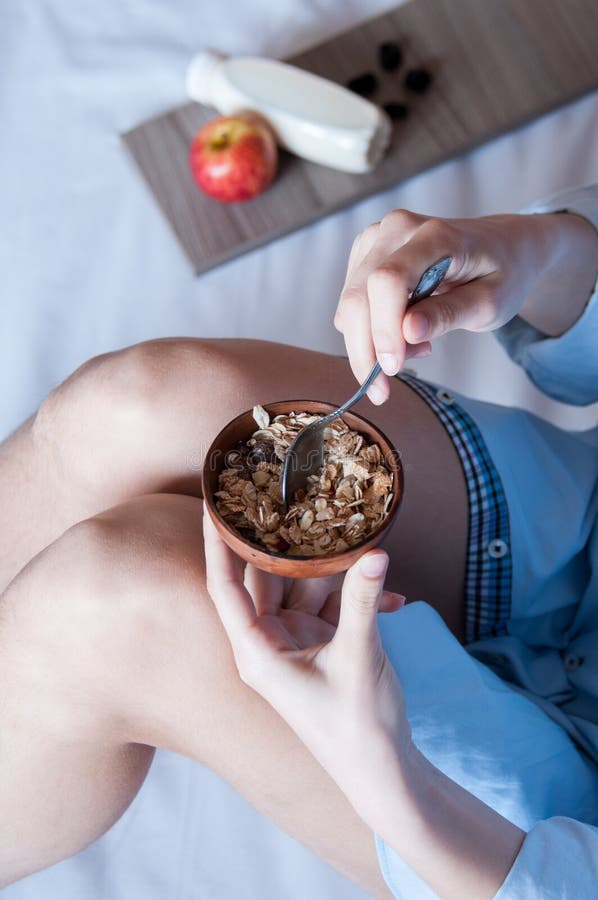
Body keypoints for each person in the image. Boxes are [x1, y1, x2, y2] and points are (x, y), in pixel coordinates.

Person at [0, 184, 597, 898]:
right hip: (575, 518)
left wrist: (386, 773)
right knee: (134, 405)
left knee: (111, 600)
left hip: (523, 837)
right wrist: (539, 250)